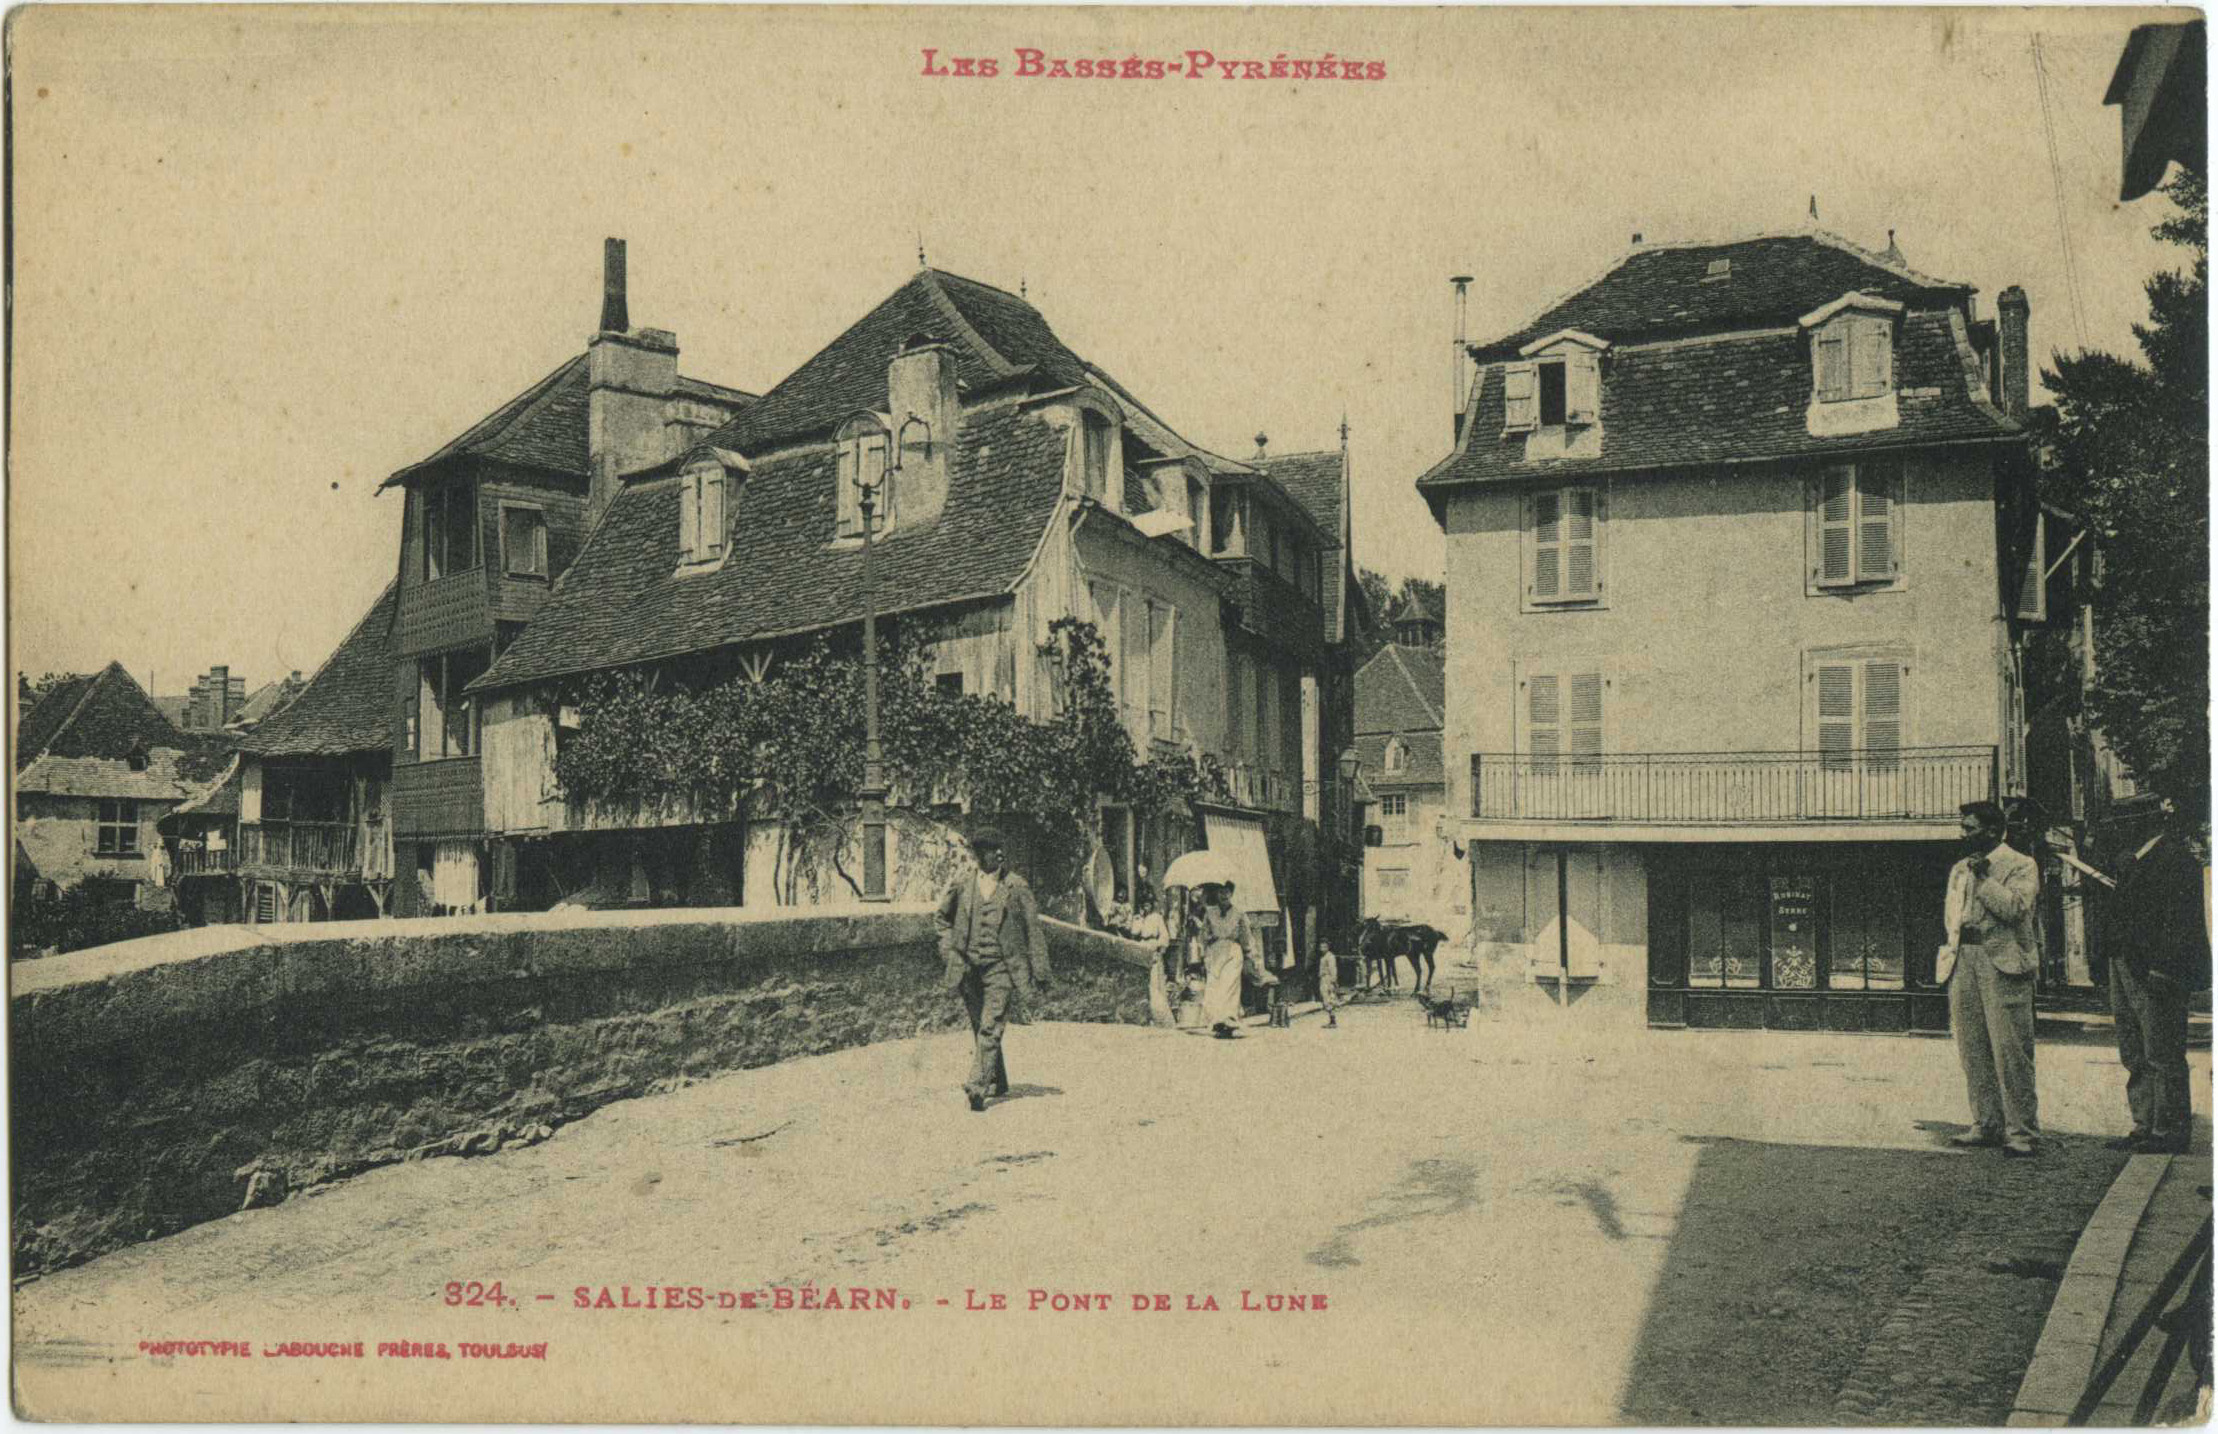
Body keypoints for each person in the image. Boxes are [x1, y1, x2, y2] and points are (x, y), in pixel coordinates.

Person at [2097, 800, 2205, 1154]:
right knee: (2134, 1050)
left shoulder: (2176, 859)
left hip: (2154, 969)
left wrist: (2165, 967)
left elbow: (2181, 921)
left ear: (2145, 822)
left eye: (2123, 822)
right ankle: (2145, 1124)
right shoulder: (2134, 861)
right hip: (2125, 962)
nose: (2116, 829)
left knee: (2162, 1051)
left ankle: (2169, 1131)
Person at [1944, 801, 2043, 1156]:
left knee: (2010, 1050)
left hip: (2002, 962)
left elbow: (2015, 909)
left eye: (1969, 828)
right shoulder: (1959, 868)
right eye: (1963, 826)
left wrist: (1985, 879)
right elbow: (1952, 914)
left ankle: (2022, 1132)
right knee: (1973, 1048)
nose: (1963, 833)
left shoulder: (2021, 864)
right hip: (1964, 959)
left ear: (1992, 830)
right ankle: (1986, 1123)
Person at [936, 829, 1052, 1112]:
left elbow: (1033, 931)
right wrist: (949, 951)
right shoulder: (963, 883)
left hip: (1003, 967)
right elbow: (941, 919)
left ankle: (977, 1086)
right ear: (979, 854)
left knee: (990, 1024)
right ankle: (998, 1079)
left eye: (1000, 848)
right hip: (968, 967)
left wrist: (1041, 972)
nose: (999, 853)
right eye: (991, 849)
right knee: (981, 1026)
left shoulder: (1017, 887)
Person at [1195, 881, 1264, 1039]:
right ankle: (1217, 1022)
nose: (1224, 895)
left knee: (1229, 986)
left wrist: (1252, 956)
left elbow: (1246, 937)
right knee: (1215, 987)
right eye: (1221, 892)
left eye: (1227, 892)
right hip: (1215, 953)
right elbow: (1203, 936)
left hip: (1233, 952)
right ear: (1217, 894)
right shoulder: (1210, 913)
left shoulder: (1239, 914)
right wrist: (1204, 948)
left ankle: (1228, 1020)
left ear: (1231, 894)